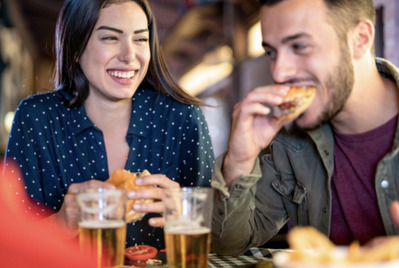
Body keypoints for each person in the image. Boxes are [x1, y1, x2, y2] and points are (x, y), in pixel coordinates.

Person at [3, 0, 214, 250]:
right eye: (110, 38)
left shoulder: (183, 118)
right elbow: (8, 244)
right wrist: (60, 222)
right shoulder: (35, 118)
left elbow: (213, 235)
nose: (129, 56)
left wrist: (186, 215)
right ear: (75, 48)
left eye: (140, 39)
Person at [210, 0, 399, 256]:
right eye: (272, 53)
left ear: (360, 39)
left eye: (299, 46)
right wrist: (239, 161)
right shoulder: (290, 144)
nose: (279, 72)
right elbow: (228, 245)